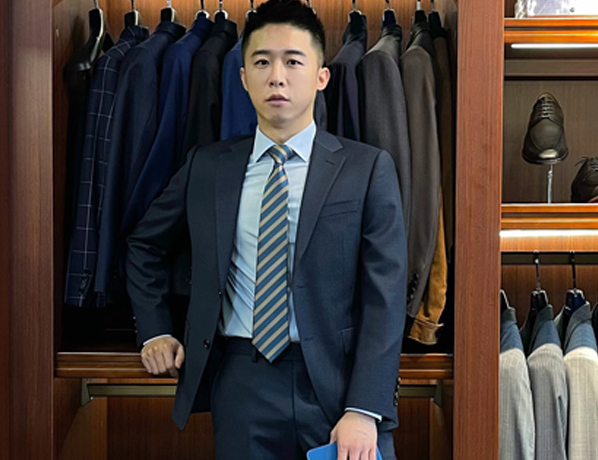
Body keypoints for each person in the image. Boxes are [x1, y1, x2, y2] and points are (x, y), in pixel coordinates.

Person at [125, 1, 407, 459]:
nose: (277, 77)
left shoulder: (367, 168)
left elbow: (386, 296)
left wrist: (364, 407)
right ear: (242, 78)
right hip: (241, 382)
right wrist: (154, 329)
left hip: (338, 384)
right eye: (261, 62)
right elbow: (144, 245)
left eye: (293, 62)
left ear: (321, 76)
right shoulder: (208, 166)